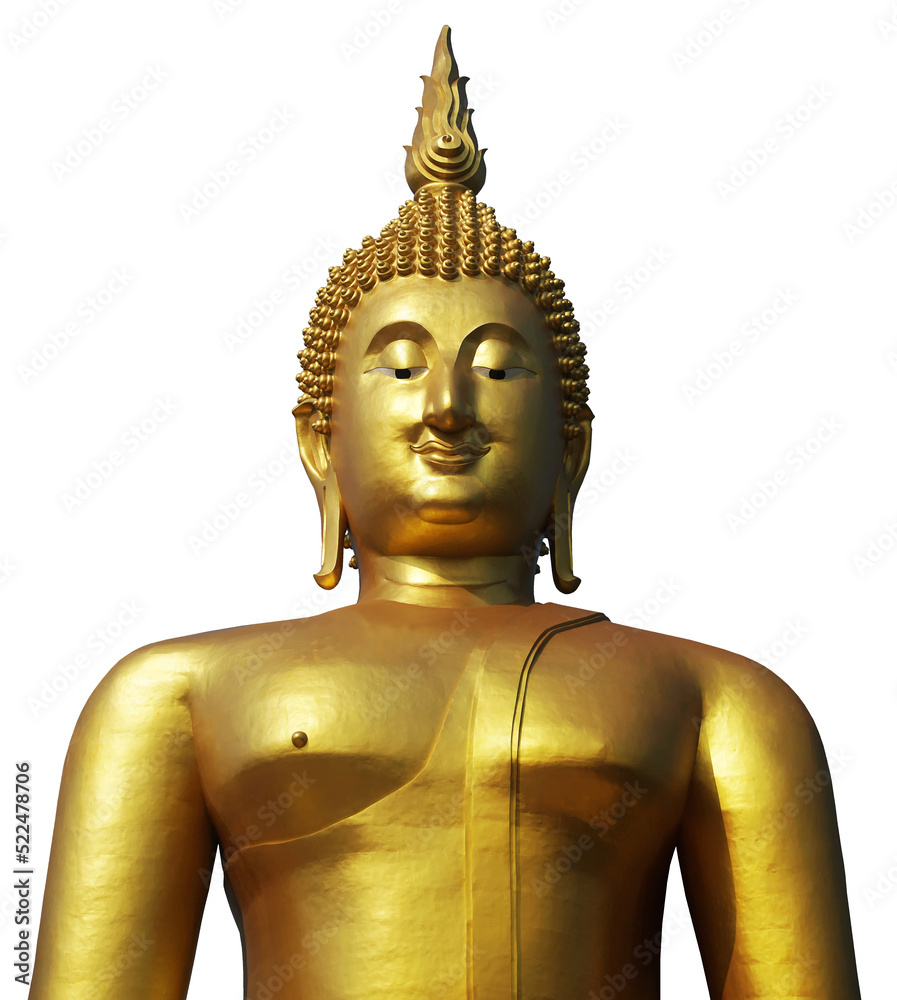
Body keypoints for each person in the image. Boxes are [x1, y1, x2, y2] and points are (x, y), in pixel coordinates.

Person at [30, 26, 861, 1000]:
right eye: (400, 366)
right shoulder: (176, 697)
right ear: (320, 444)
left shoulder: (716, 701)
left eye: (499, 369)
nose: (446, 406)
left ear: (572, 448)